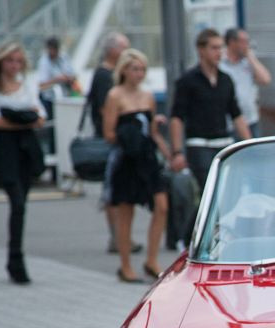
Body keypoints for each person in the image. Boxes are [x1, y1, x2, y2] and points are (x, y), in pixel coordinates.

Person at [170, 28, 251, 243]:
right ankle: (188, 239)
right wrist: (177, 151)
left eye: (221, 48)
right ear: (201, 50)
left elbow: (236, 115)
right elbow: (177, 117)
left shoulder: (226, 80)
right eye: (214, 48)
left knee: (228, 194)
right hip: (199, 144)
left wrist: (250, 145)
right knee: (210, 193)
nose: (219, 52)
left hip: (223, 142)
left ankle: (205, 237)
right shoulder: (188, 81)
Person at [0, 42, 47, 285]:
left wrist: (21, 121)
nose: (14, 65)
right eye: (10, 60)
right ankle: (15, 258)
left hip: (26, 149)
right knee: (17, 203)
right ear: (1, 62)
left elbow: (40, 116)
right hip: (5, 150)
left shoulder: (27, 85)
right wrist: (24, 121)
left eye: (18, 61)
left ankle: (15, 258)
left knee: (22, 204)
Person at [102, 48, 170, 283]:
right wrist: (127, 133)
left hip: (147, 156)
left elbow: (151, 132)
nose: (139, 73)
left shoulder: (148, 96)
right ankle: (125, 264)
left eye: (142, 69)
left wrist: (166, 152)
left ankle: (152, 259)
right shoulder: (115, 96)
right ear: (124, 70)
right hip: (126, 157)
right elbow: (108, 133)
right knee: (125, 210)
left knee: (162, 205)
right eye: (134, 68)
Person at [86, 32, 136, 255]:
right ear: (112, 50)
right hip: (111, 139)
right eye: (123, 48)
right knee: (113, 190)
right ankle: (117, 237)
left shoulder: (107, 75)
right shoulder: (104, 76)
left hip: (116, 139)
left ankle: (121, 236)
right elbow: (103, 108)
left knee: (117, 189)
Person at [220, 28, 271, 138]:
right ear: (232, 42)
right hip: (229, 123)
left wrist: (250, 57)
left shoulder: (248, 63)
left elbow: (265, 79)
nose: (247, 45)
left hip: (250, 120)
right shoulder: (221, 64)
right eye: (243, 41)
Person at [37, 36, 79, 115]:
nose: (53, 52)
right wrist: (57, 79)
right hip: (49, 98)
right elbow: (41, 84)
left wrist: (68, 78)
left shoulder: (64, 57)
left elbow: (74, 75)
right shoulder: (44, 62)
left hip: (66, 97)